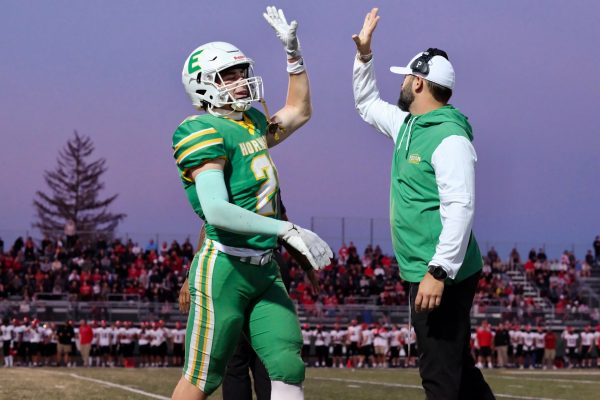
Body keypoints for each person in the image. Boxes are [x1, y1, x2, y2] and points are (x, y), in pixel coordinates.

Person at [170, 6, 332, 400]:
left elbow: (299, 111)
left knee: (287, 365)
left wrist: (293, 55)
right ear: (203, 83)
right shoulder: (200, 129)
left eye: (242, 72)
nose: (241, 80)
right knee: (202, 379)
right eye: (229, 75)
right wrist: (285, 228)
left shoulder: (249, 124)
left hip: (264, 267)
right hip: (224, 267)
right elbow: (217, 210)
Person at [351, 8, 494, 399]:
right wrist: (364, 56)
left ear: (418, 82)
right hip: (425, 268)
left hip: (441, 272)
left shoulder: (449, 138)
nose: (400, 85)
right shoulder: (409, 125)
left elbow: (460, 208)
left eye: (405, 78)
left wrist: (439, 270)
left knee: (438, 374)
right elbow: (365, 104)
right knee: (456, 369)